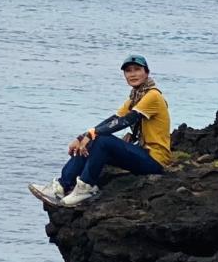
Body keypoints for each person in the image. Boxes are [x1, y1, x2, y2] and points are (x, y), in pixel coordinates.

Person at [29, 55, 172, 208]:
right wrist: (83, 137)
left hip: (155, 160)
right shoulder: (135, 98)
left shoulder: (153, 95)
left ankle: (85, 188)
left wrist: (93, 134)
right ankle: (61, 187)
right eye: (128, 71)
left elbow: (126, 121)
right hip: (142, 153)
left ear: (146, 72)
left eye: (137, 69)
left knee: (102, 140)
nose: (133, 74)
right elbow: (114, 119)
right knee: (91, 142)